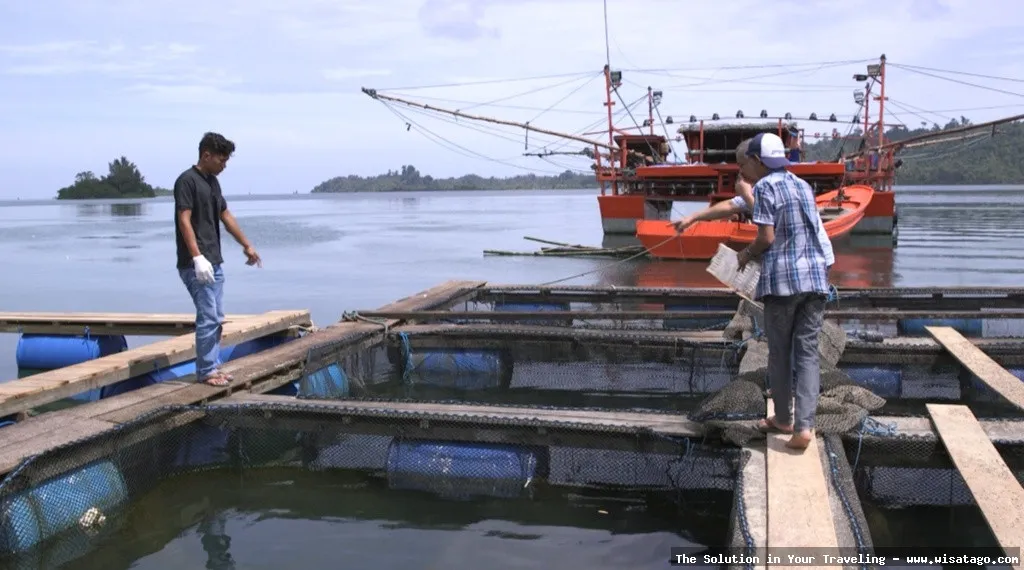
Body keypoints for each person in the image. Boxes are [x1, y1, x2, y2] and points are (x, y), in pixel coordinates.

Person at [735, 132, 833, 451]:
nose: (744, 170)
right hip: (816, 279)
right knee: (807, 353)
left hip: (783, 283)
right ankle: (805, 426)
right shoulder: (802, 185)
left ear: (757, 160)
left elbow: (766, 237)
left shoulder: (765, 187)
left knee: (780, 352)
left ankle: (782, 418)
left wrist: (746, 254)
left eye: (746, 163)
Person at [174, 132, 262, 387]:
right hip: (196, 264)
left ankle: (212, 366)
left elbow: (226, 215)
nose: (224, 165)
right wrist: (197, 257)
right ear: (206, 155)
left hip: (215, 261)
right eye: (221, 160)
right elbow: (184, 220)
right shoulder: (187, 181)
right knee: (208, 317)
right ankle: (206, 371)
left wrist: (247, 245)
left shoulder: (213, 183)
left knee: (217, 317)